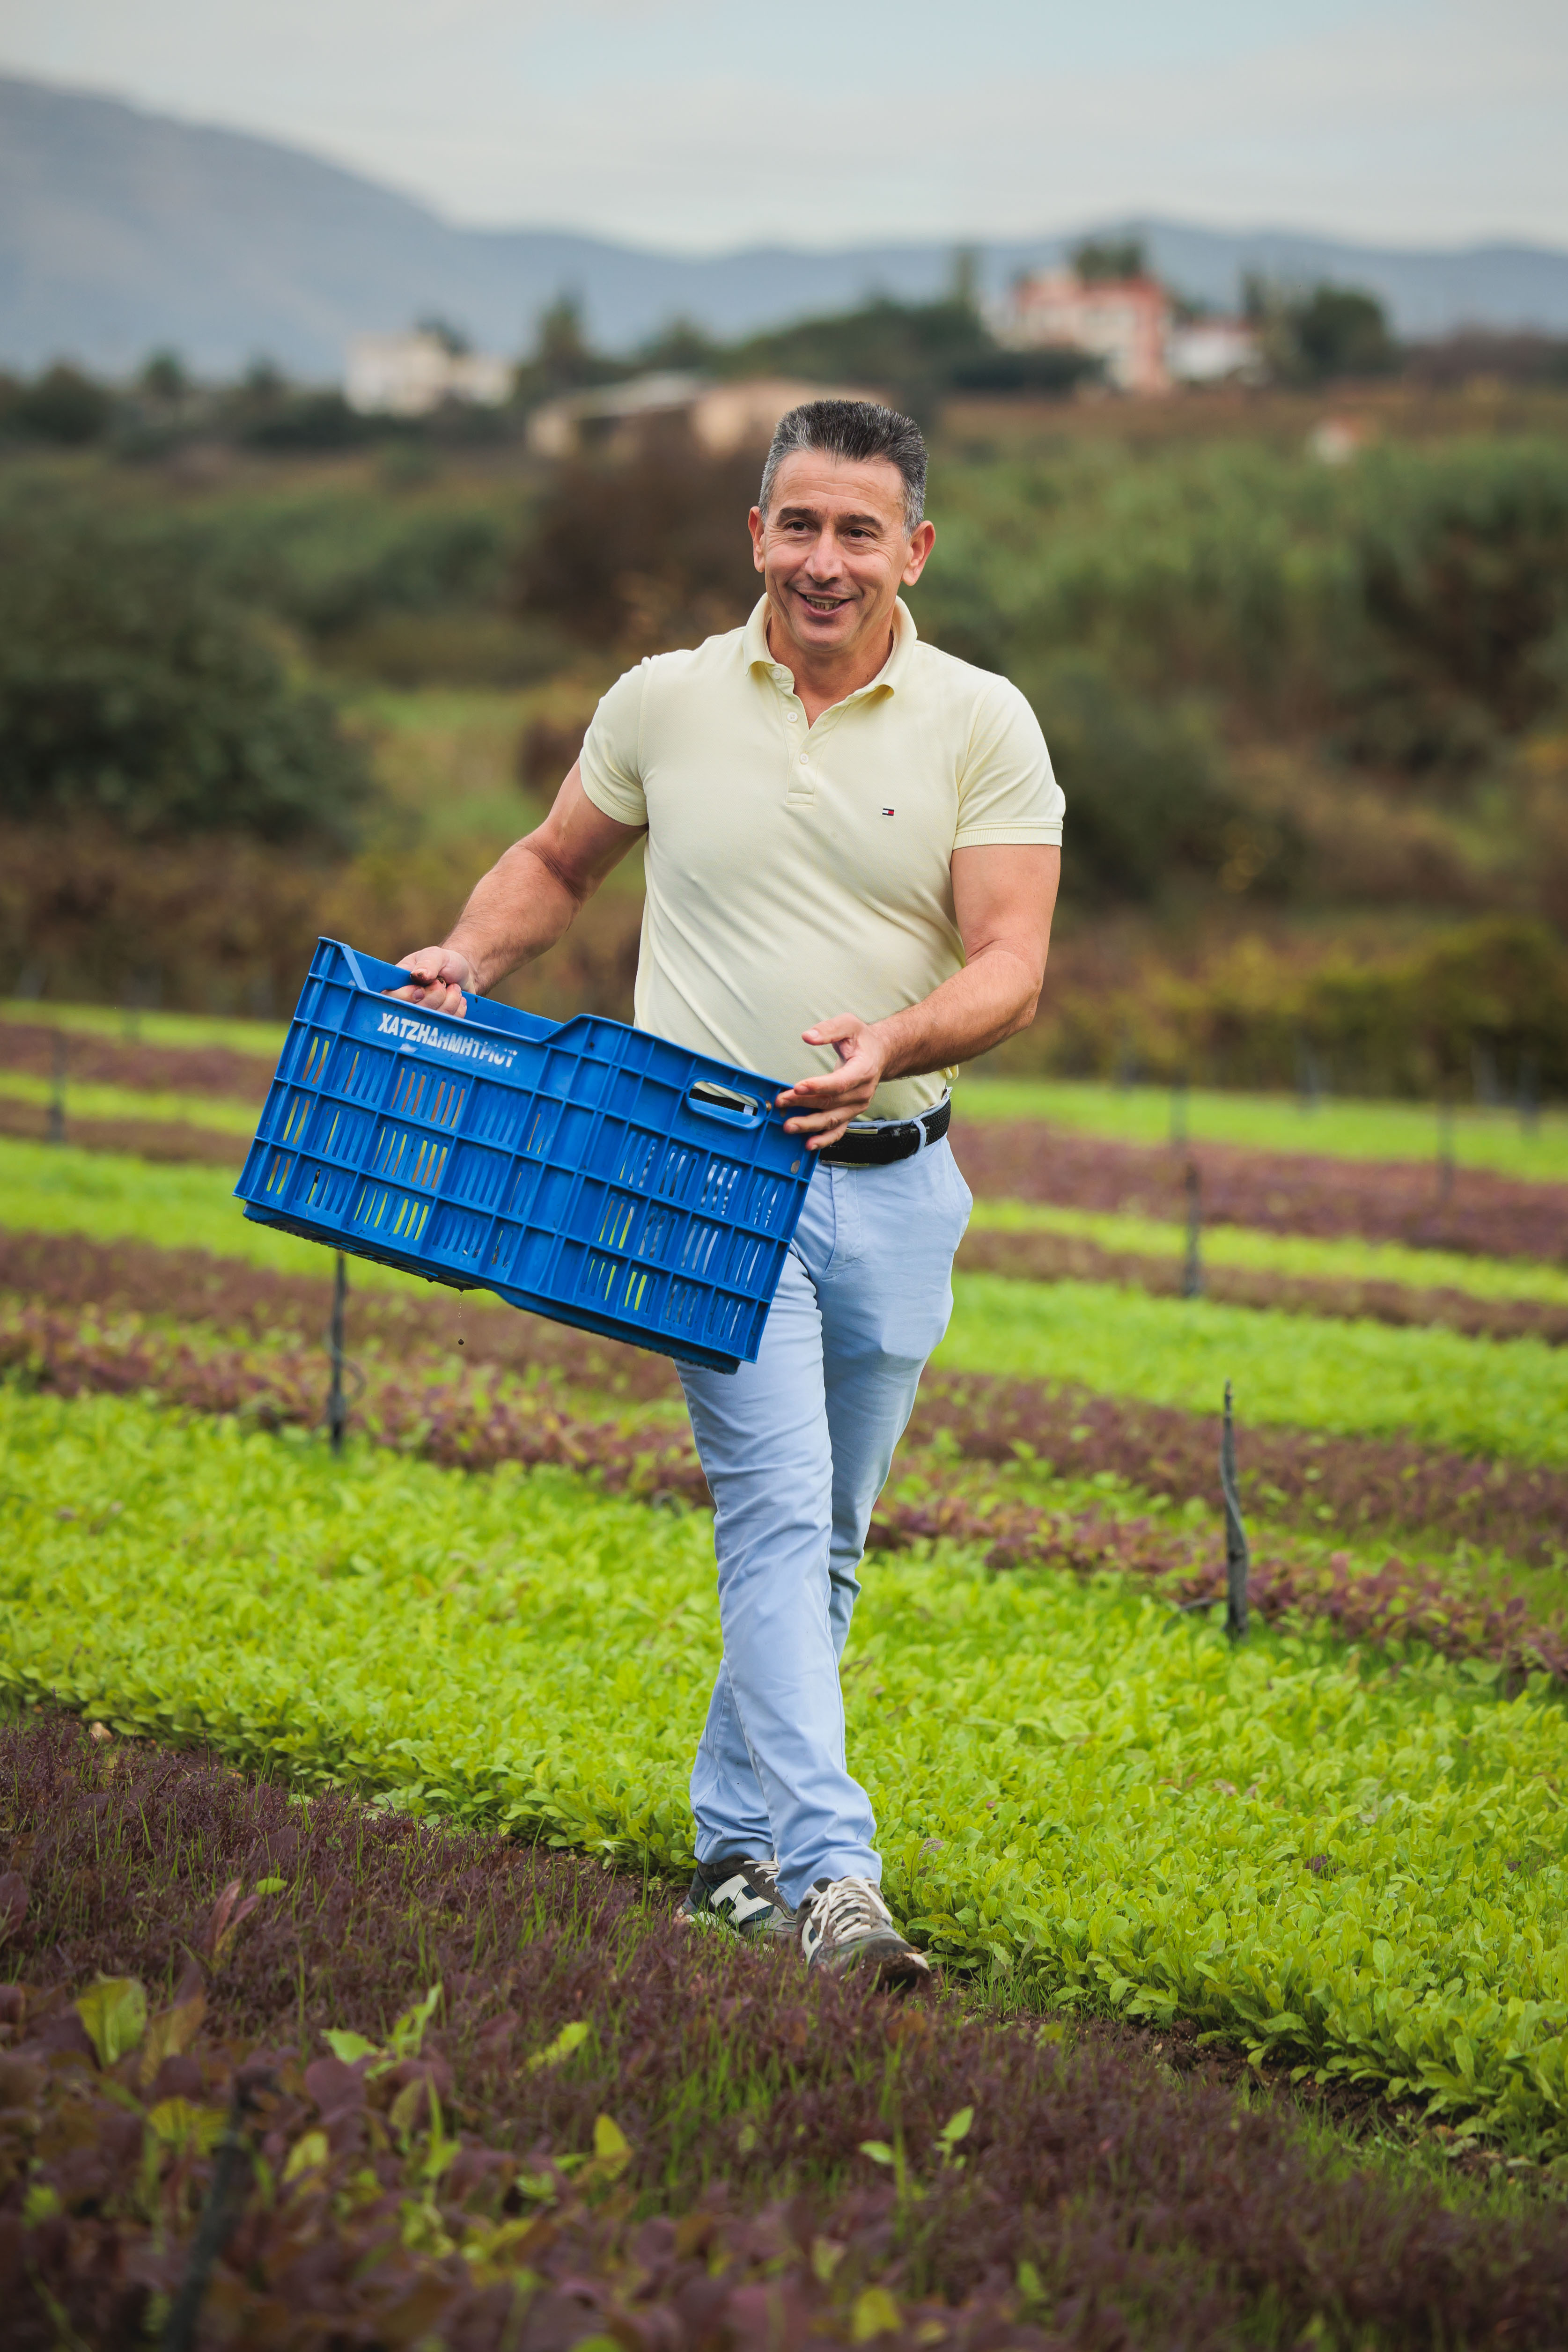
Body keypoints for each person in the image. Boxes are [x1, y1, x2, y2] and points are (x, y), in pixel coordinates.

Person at [395, 399, 1063, 1987]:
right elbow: (559, 864)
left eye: (858, 530)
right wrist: (465, 958)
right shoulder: (665, 701)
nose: (824, 561)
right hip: (704, 1168)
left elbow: (1015, 966)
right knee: (771, 1513)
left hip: (902, 1176)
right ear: (754, 534)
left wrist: (890, 1040)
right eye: (797, 524)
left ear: (914, 548)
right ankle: (840, 1881)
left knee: (829, 1535)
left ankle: (732, 1847)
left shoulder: (982, 721)